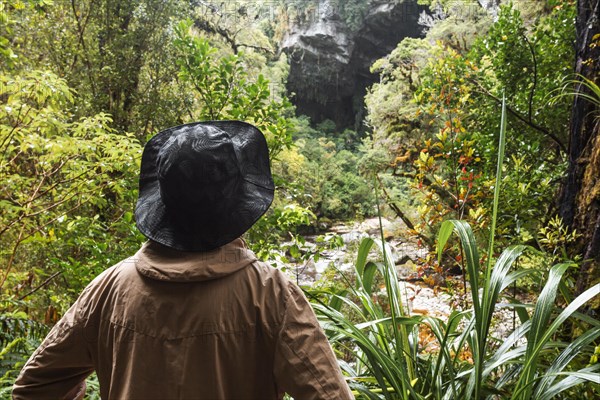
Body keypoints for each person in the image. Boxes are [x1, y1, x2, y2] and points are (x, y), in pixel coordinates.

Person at [12, 121, 354, 400]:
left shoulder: (109, 289)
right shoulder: (271, 296)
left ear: (163, 201)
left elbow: (32, 389)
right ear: (238, 200)